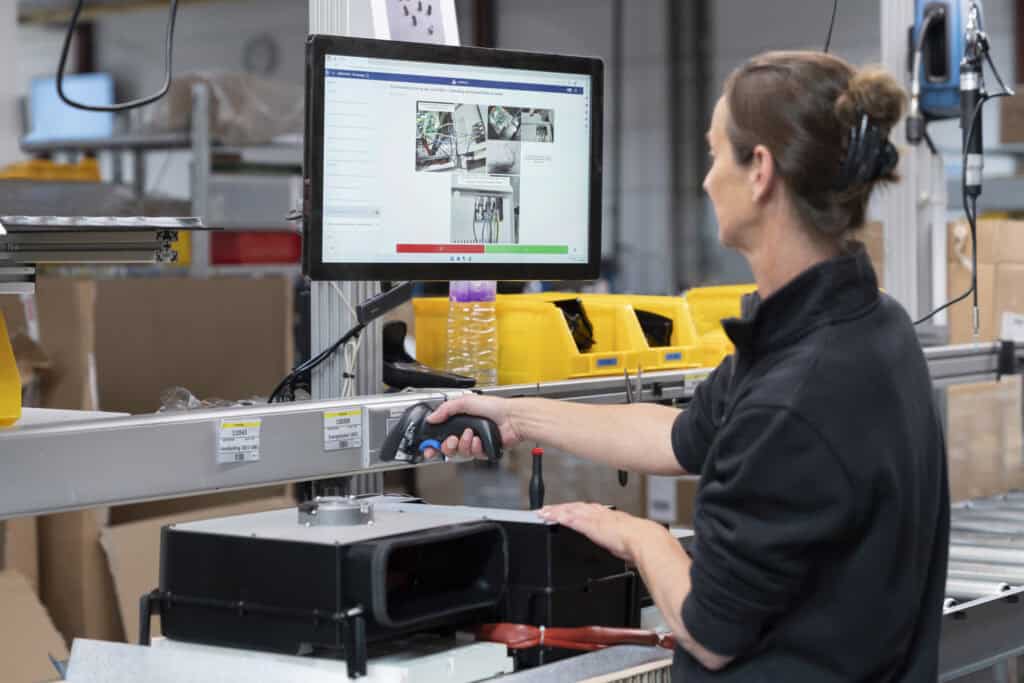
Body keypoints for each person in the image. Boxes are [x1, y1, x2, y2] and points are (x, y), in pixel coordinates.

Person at [426, 50, 949, 681]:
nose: (705, 181)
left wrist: (640, 537)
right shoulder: (860, 325)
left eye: (714, 153)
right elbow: (675, 435)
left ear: (759, 171)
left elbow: (709, 631)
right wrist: (516, 415)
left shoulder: (797, 395)